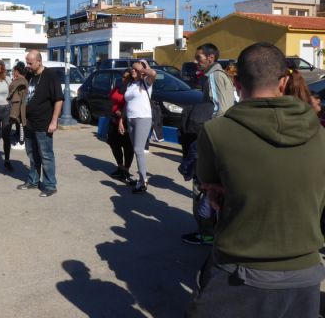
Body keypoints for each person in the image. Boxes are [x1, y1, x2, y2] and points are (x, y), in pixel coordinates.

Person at [186, 42, 325, 317]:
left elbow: (210, 185)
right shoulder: (319, 134)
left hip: (239, 269)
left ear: (236, 82)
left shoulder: (216, 132)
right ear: (284, 81)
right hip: (305, 274)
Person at [181, 43, 235, 246]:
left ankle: (205, 233)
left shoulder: (213, 76)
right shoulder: (221, 76)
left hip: (210, 140)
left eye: (199, 58)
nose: (196, 61)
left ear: (211, 58)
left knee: (201, 186)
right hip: (222, 140)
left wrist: (206, 135)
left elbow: (218, 110)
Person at [16, 50, 63, 197]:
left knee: (46, 155)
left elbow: (58, 100)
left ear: (39, 61)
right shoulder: (30, 76)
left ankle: (50, 185)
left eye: (30, 63)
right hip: (29, 123)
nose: (28, 66)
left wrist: (54, 121)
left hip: (44, 123)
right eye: (27, 63)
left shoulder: (50, 76)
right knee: (32, 154)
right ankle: (33, 180)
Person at [119, 60, 156, 194]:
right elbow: (126, 104)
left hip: (143, 118)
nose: (133, 70)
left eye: (135, 69)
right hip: (130, 119)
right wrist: (121, 121)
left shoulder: (146, 82)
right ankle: (142, 179)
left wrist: (143, 68)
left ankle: (143, 180)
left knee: (138, 149)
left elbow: (153, 73)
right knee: (136, 150)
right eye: (132, 69)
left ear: (141, 70)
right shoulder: (130, 84)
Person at [107, 68, 134, 183]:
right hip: (114, 120)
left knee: (128, 147)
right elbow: (111, 100)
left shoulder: (132, 89)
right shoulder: (118, 87)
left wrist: (121, 113)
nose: (124, 79)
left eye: (127, 77)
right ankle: (120, 167)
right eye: (123, 77)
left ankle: (126, 170)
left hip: (127, 122)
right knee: (114, 144)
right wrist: (114, 110)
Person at [8, 61, 28, 152]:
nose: (12, 72)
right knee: (19, 122)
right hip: (19, 103)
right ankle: (20, 139)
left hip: (20, 104)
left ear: (17, 71)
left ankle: (22, 142)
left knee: (21, 123)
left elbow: (12, 90)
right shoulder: (23, 80)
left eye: (13, 71)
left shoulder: (20, 81)